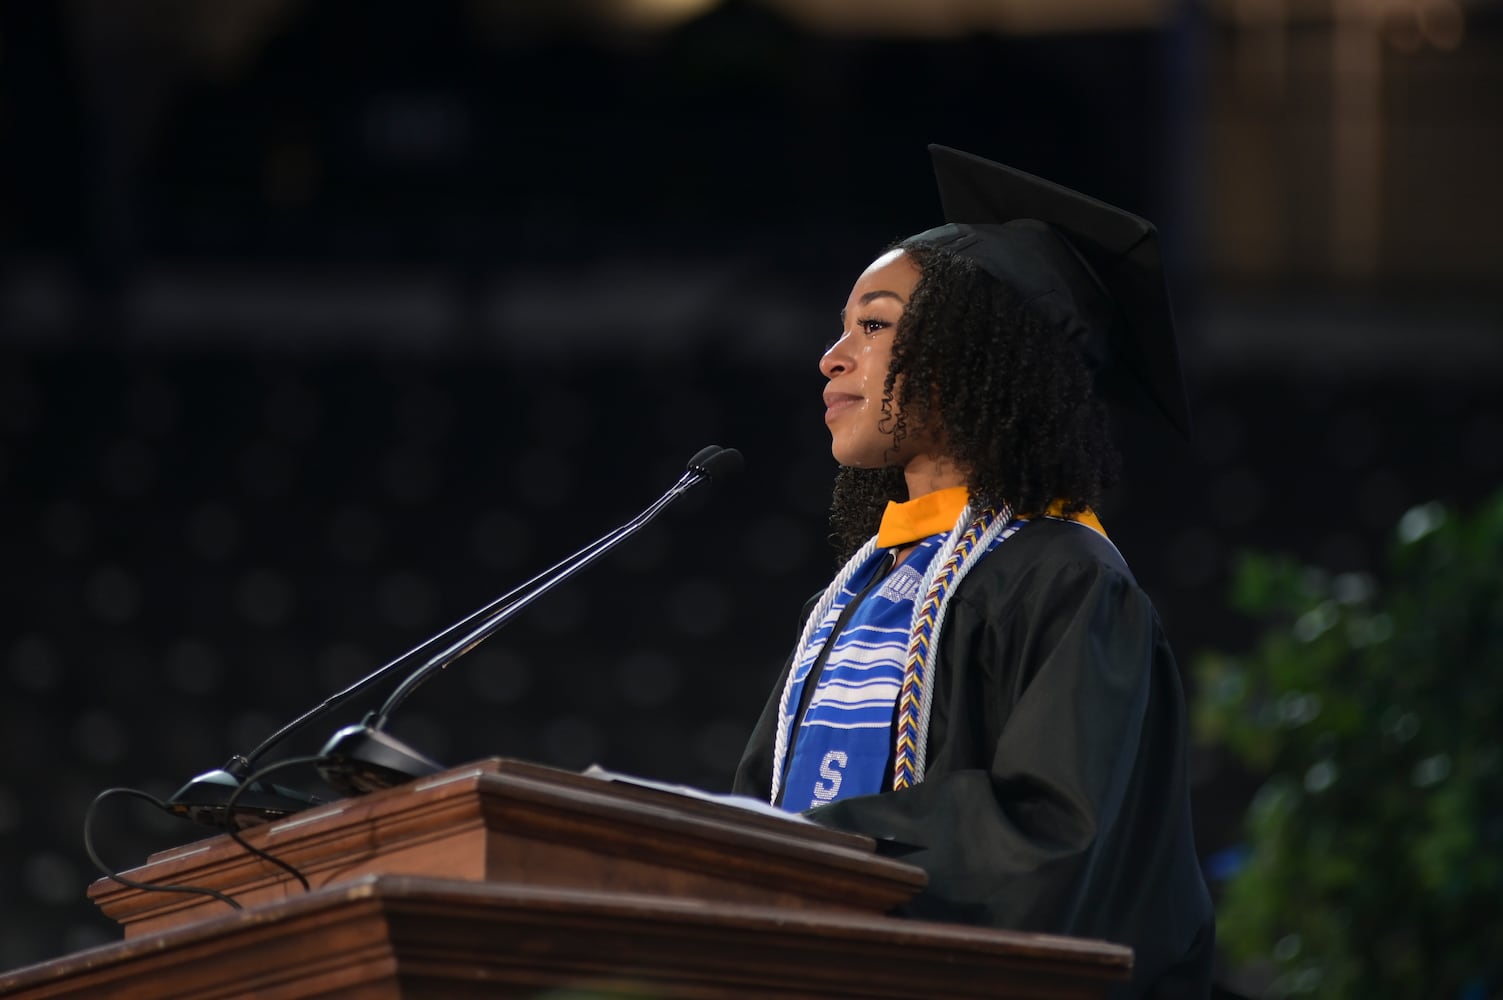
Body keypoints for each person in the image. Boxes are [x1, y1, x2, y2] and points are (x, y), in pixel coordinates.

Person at [733, 146, 1215, 999]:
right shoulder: (851, 595)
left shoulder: (1065, 581)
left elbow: (1050, 836)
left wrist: (812, 846)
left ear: (973, 349)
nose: (831, 356)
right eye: (842, 325)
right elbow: (751, 817)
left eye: (873, 324)